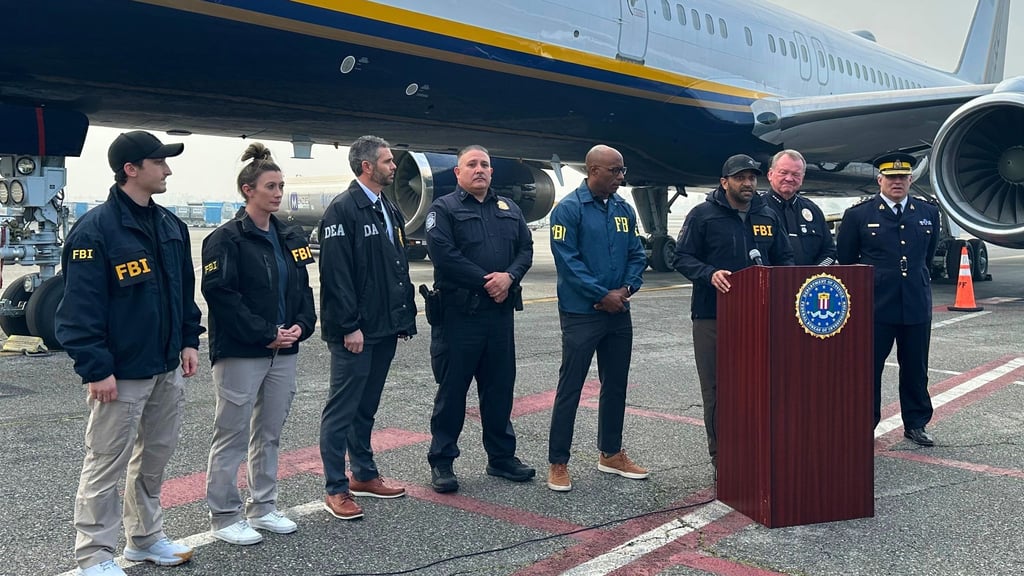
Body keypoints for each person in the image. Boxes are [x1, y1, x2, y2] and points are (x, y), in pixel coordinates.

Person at [55, 131, 204, 576]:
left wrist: (188, 339)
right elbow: (79, 310)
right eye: (159, 162)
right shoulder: (96, 230)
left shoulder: (171, 226)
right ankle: (95, 555)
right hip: (120, 374)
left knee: (153, 460)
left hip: (165, 367)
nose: (168, 170)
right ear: (131, 170)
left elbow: (183, 293)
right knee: (105, 462)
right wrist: (96, 368)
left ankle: (144, 539)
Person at [200, 143, 317, 545]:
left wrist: (302, 324)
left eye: (281, 185)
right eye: (270, 186)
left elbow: (302, 287)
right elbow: (221, 295)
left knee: (269, 433)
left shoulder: (289, 235)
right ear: (248, 190)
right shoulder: (225, 239)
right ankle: (225, 515)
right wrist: (266, 332)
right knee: (230, 434)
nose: (278, 193)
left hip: (285, 350)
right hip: (243, 351)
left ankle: (264, 507)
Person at [673, 154, 794, 471]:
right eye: (741, 178)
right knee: (716, 390)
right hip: (712, 316)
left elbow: (785, 259)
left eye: (752, 178)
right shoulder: (702, 215)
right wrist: (708, 273)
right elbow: (681, 258)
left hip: (759, 318)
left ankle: (755, 449)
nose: (748, 183)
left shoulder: (767, 215)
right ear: (724, 182)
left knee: (758, 386)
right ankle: (721, 456)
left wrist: (782, 284)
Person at [425, 145, 534, 493]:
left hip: (499, 316)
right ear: (458, 173)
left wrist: (510, 277)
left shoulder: (509, 208)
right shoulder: (444, 209)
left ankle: (501, 458)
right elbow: (444, 255)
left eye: (485, 165)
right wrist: (488, 282)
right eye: (471, 164)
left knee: (500, 389)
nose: (480, 170)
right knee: (453, 392)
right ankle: (442, 461)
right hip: (460, 315)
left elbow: (526, 249)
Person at [318, 135, 417, 520]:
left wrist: (402, 319)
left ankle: (364, 474)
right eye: (388, 161)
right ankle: (335, 488)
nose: (394, 167)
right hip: (356, 332)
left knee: (366, 407)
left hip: (384, 327)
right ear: (367, 167)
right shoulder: (343, 210)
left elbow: (396, 266)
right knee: (341, 409)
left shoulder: (386, 208)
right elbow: (336, 276)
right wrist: (348, 326)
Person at [546, 145, 650, 492]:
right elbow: (568, 262)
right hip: (582, 313)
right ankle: (558, 461)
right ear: (593, 170)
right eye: (615, 171)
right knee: (571, 386)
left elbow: (637, 253)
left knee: (616, 383)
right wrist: (601, 294)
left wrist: (625, 290)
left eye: (622, 171)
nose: (621, 177)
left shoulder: (623, 208)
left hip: (618, 311)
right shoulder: (569, 210)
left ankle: (610, 453)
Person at [836, 152, 940, 446]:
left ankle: (916, 423)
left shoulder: (928, 212)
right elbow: (847, 261)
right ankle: (864, 424)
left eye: (903, 177)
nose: (897, 182)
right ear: (880, 179)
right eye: (891, 177)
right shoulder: (859, 215)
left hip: (916, 303)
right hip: (875, 306)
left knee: (916, 367)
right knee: (868, 369)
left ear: (910, 180)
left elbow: (927, 257)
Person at [763, 149, 837, 266]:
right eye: (783, 172)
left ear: (802, 178)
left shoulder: (813, 210)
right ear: (770, 175)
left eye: (795, 174)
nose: (789, 178)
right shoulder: (756, 209)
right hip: (770, 281)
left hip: (809, 281)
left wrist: (813, 274)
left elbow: (829, 252)